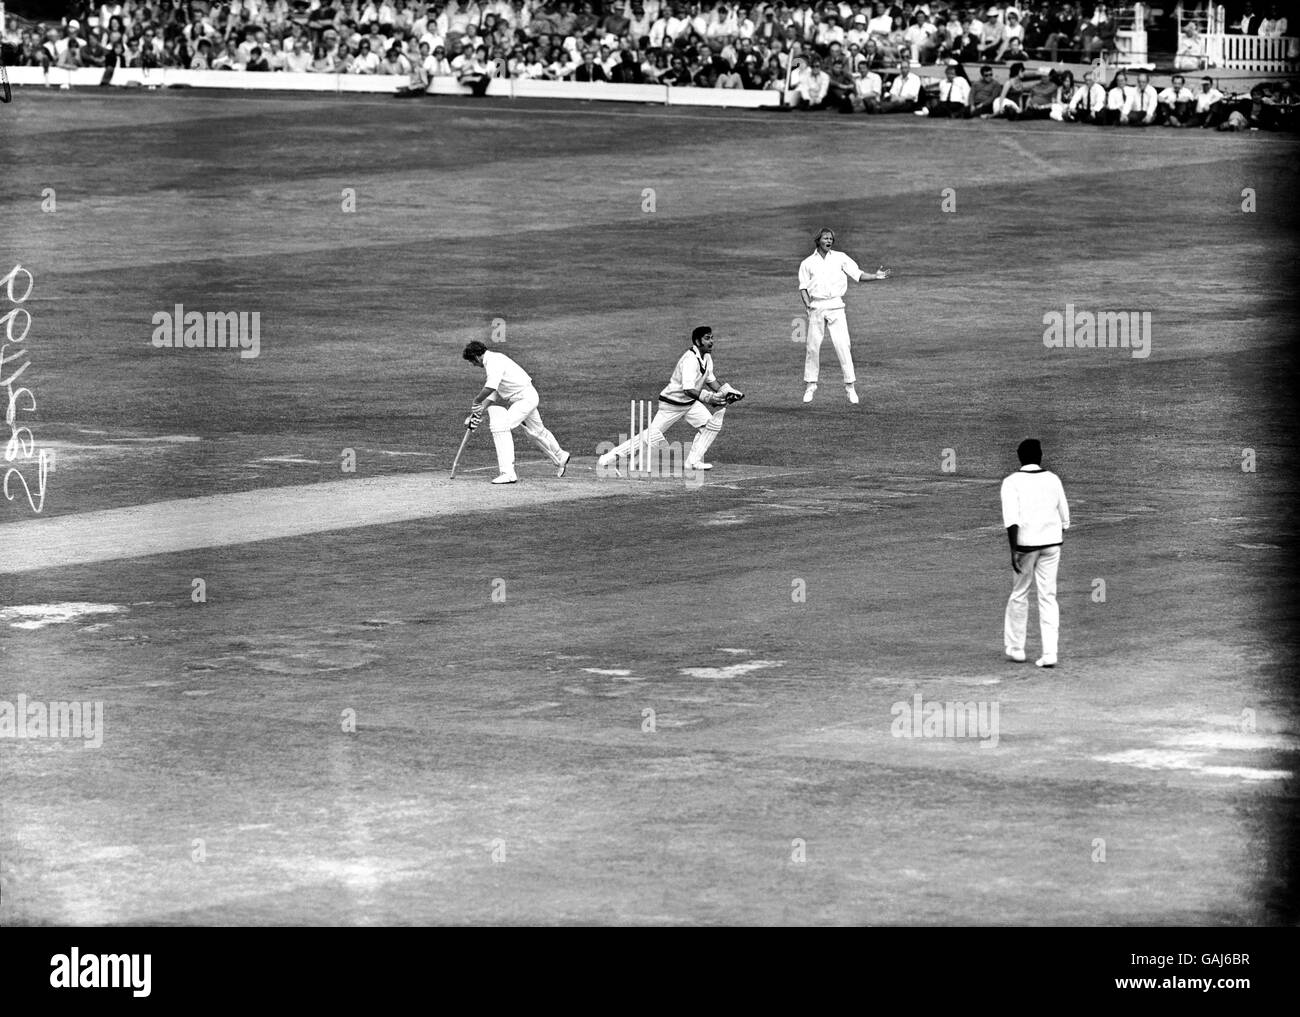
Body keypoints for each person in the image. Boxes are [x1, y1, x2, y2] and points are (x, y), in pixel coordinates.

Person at [596, 326, 744, 473]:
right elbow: (688, 389)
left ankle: (693, 462)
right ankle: (608, 457)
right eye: (707, 338)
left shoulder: (707, 357)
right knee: (650, 437)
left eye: (712, 338)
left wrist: (726, 392)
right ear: (698, 341)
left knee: (711, 426)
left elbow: (712, 381)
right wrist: (708, 398)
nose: (711, 341)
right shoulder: (690, 360)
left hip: (690, 403)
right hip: (672, 404)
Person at [798, 227, 890, 405]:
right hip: (817, 305)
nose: (829, 241)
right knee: (812, 346)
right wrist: (808, 305)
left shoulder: (840, 257)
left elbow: (858, 274)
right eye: (825, 238)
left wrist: (876, 277)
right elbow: (803, 288)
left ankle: (850, 387)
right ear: (818, 240)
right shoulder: (807, 263)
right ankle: (811, 385)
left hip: (836, 305)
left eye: (831, 238)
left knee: (843, 345)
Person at [1001, 438, 1070, 669]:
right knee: (1048, 597)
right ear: (1040, 456)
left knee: (1019, 593)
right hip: (1052, 544)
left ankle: (1016, 648)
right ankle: (1050, 653)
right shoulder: (1053, 479)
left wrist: (1013, 550)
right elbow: (1065, 517)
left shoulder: (1011, 482)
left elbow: (1012, 520)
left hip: (1025, 545)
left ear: (1020, 457)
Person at [461, 341, 570, 484]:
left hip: (524, 398)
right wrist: (476, 413)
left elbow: (490, 387)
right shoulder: (495, 360)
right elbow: (494, 393)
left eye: (471, 362)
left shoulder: (493, 362)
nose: (473, 365)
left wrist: (476, 401)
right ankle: (560, 455)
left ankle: (508, 473)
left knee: (501, 427)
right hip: (526, 397)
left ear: (476, 357)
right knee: (536, 432)